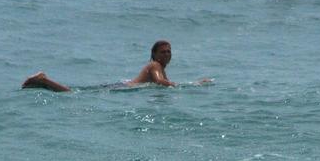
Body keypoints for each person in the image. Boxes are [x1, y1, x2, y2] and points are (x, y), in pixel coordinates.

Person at [22, 40, 207, 92]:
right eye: (163, 52)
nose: (167, 54)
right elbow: (160, 82)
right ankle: (43, 79)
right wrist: (190, 85)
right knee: (72, 94)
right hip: (122, 88)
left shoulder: (158, 66)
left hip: (122, 85)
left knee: (76, 92)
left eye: (169, 51)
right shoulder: (155, 66)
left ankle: (41, 84)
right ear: (155, 54)